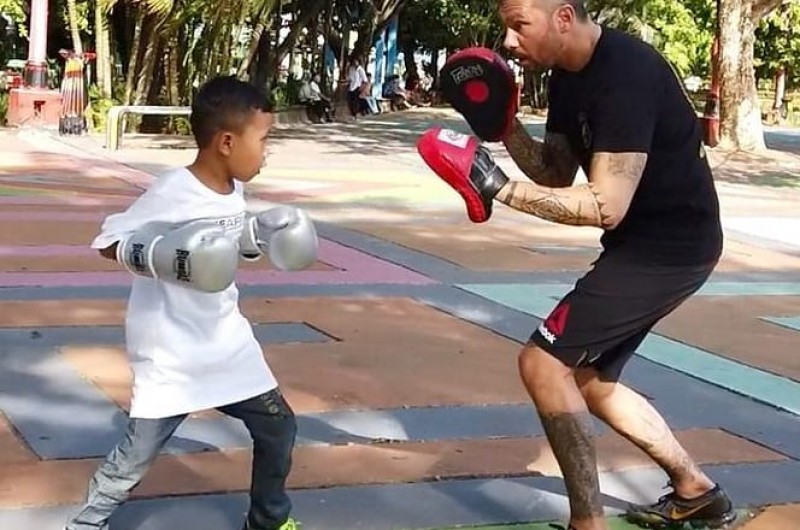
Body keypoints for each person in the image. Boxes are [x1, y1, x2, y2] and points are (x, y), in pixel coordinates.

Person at [421, 1, 735, 529]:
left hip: (670, 249)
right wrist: (505, 128)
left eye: (519, 24)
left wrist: (496, 186)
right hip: (646, 247)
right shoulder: (569, 78)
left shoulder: (625, 74)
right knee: (589, 378)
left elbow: (607, 205)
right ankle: (695, 489)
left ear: (563, 17)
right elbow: (554, 173)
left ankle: (586, 523)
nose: (508, 42)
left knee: (542, 363)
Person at [64, 75, 318, 530]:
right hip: (172, 351)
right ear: (225, 141)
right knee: (135, 458)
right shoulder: (173, 190)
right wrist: (160, 254)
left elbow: (218, 252)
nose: (267, 152)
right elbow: (109, 240)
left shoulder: (233, 189)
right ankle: (84, 524)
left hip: (226, 343)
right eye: (263, 140)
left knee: (278, 427)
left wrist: (256, 236)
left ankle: (267, 521)